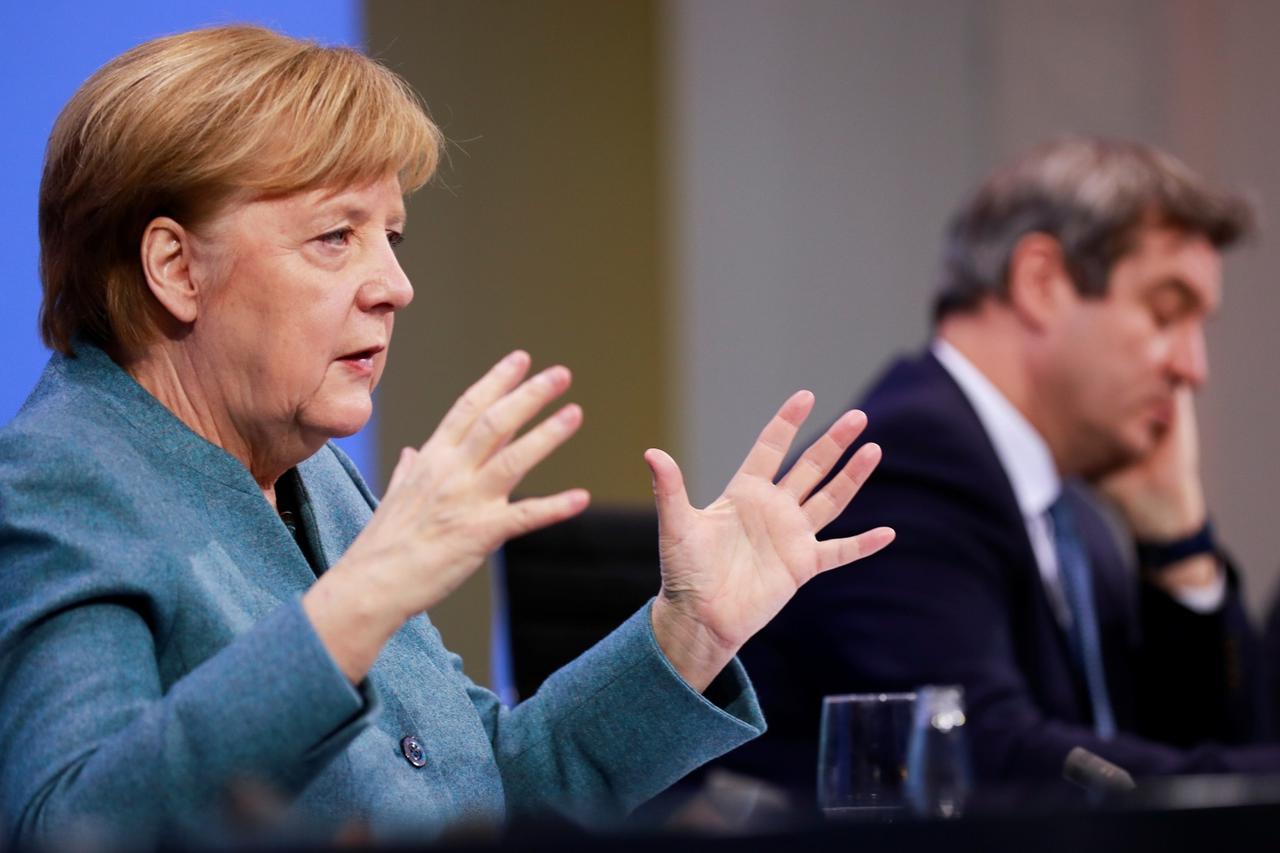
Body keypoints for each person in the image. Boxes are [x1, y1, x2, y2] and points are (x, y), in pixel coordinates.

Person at [0, 25, 895, 846]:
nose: (395, 283)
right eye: (334, 236)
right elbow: (72, 825)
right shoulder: (57, 486)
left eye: (390, 235)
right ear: (174, 267)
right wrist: (360, 602)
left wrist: (686, 633)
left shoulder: (318, 480)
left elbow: (486, 788)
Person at [737, 137, 1280, 790]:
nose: (1193, 368)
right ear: (1041, 282)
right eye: (1166, 312)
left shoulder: (1073, 514)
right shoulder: (905, 464)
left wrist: (1179, 546)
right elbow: (985, 759)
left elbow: (1183, 762)